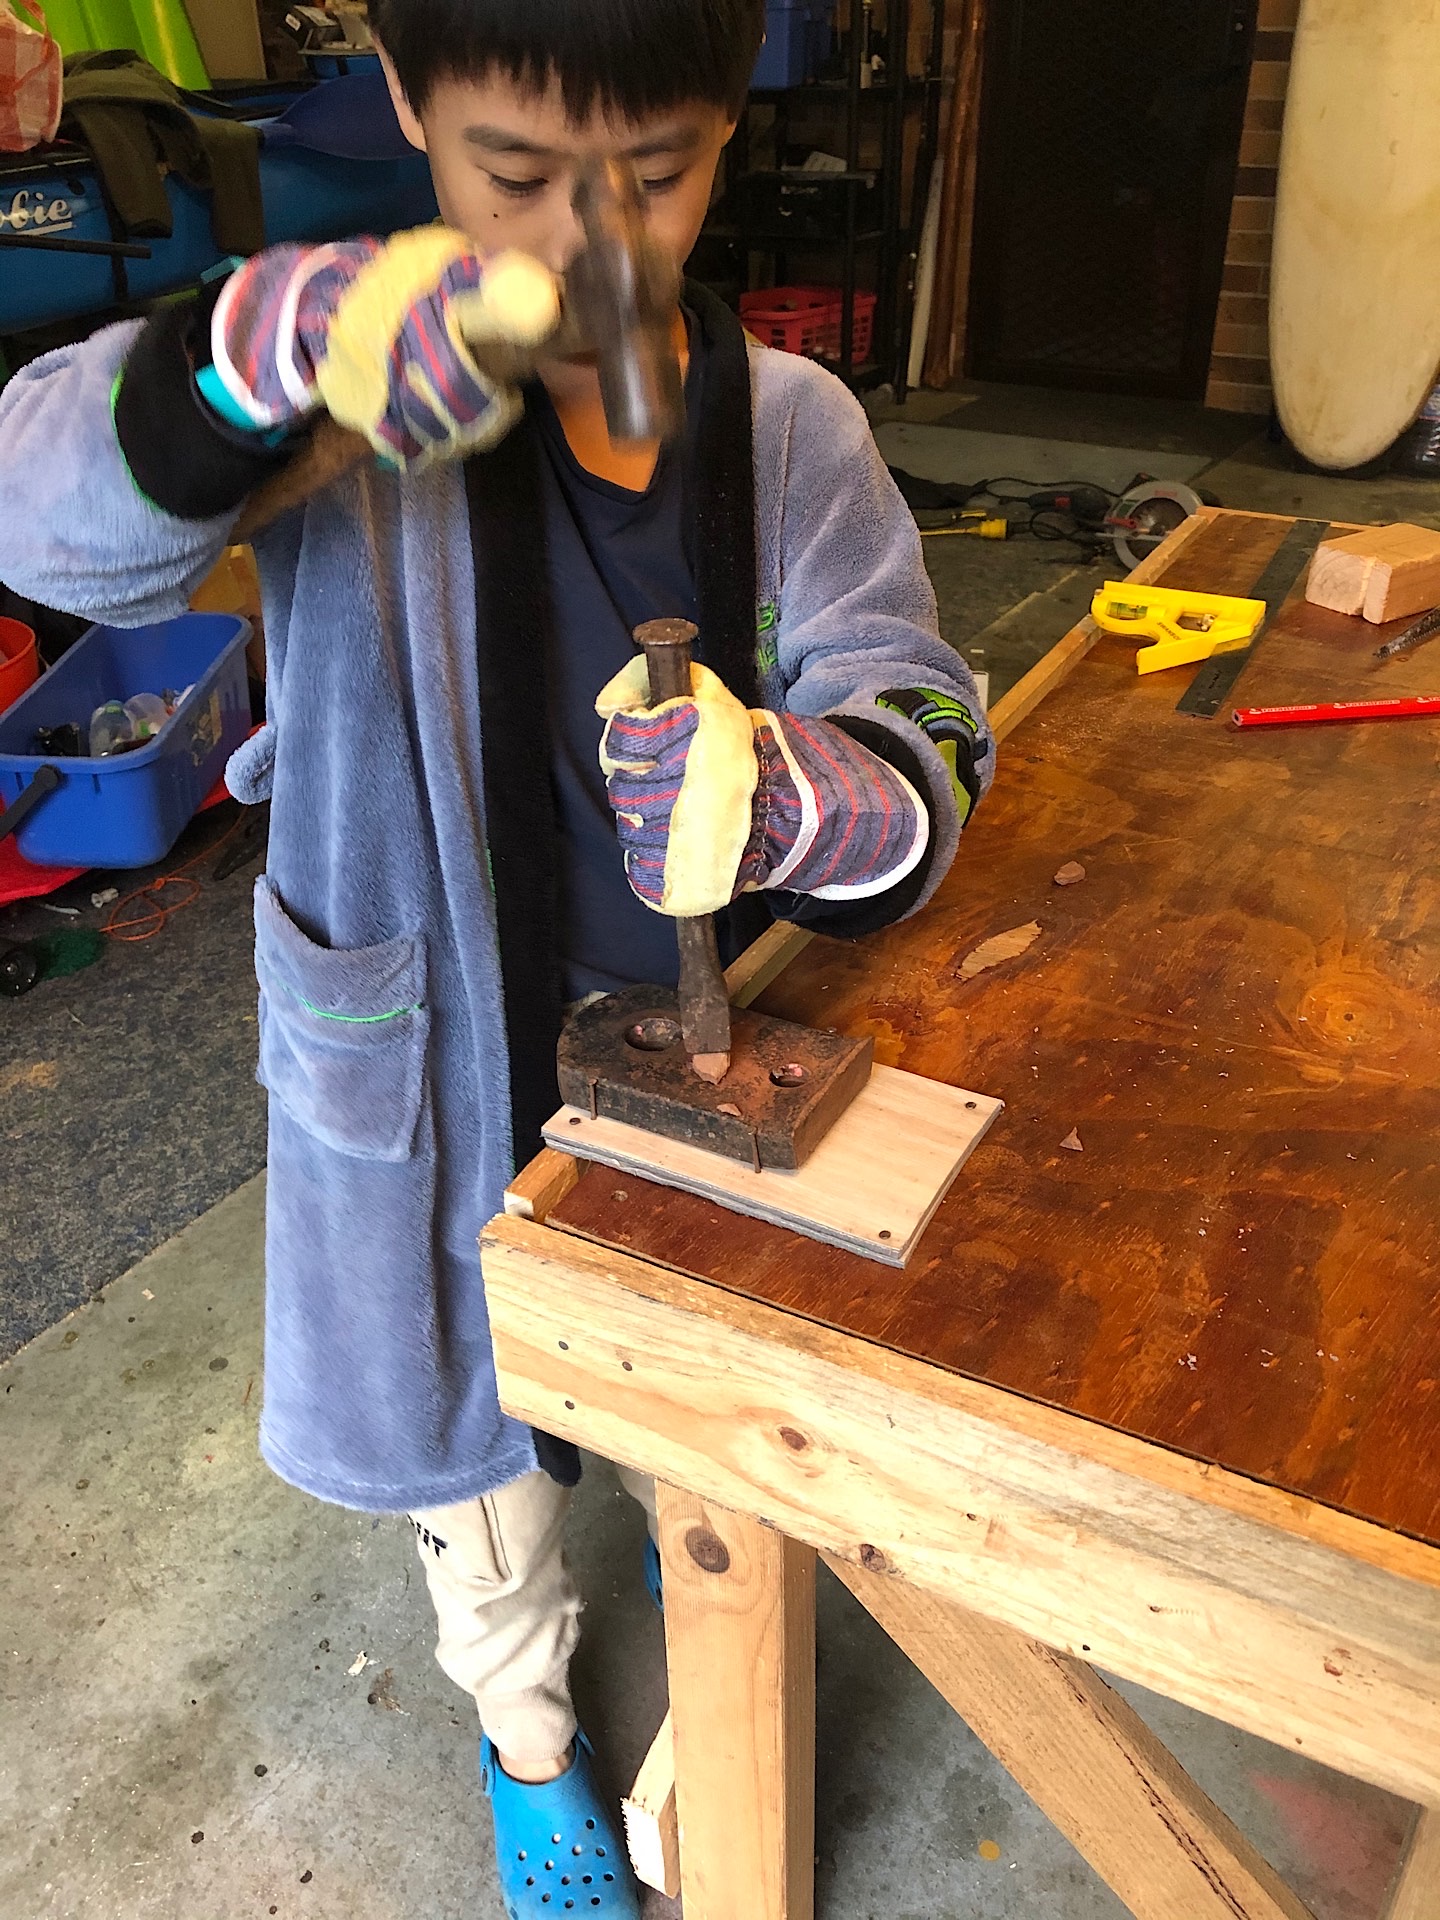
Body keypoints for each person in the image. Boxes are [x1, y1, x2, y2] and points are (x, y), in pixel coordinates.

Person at [0, 1, 993, 1909]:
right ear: (404, 101)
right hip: (429, 1062)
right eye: (519, 175)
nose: (592, 248)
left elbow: (925, 708)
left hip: (700, 1074)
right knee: (480, 1482)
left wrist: (807, 797)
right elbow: (54, 530)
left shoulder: (786, 427)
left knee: (703, 1448)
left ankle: (689, 1586)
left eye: (660, 175)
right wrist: (238, 375)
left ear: (730, 127)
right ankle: (523, 1733)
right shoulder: (343, 397)